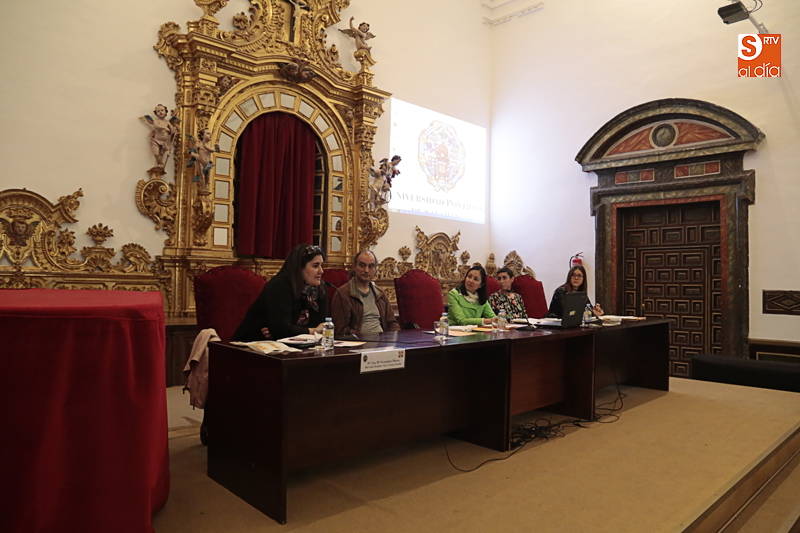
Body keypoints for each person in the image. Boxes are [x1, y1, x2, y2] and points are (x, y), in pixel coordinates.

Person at [230, 244, 328, 342]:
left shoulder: (320, 288)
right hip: (251, 345)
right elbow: (282, 330)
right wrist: (314, 331)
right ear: (299, 268)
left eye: (321, 265)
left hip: (292, 346)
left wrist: (287, 333)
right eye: (315, 266)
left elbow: (321, 326)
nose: (321, 271)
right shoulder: (279, 286)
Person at [330, 250, 400, 337]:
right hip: (358, 344)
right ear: (354, 267)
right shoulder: (343, 293)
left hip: (383, 343)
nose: (366, 270)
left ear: (375, 270)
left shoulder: (380, 293)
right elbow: (340, 330)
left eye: (371, 266)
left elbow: (392, 324)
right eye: (362, 266)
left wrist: (396, 341)